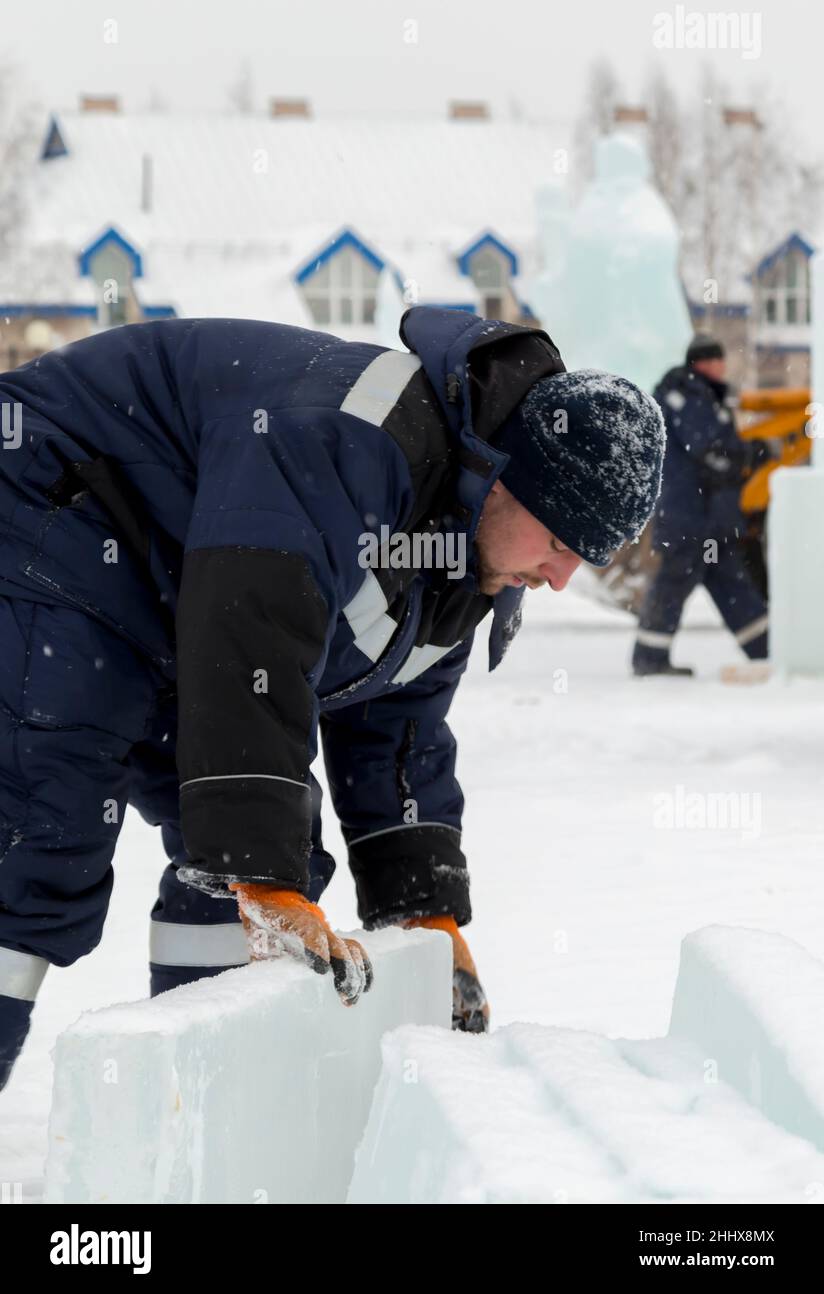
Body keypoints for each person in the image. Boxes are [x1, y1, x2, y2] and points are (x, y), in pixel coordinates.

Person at [0, 306, 665, 1089]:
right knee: (45, 817)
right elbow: (253, 625)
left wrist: (419, 905)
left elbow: (396, 722)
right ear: (505, 481)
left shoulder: (465, 552)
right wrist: (262, 872)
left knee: (255, 864)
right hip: (55, 485)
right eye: (558, 542)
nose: (560, 578)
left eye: (582, 559)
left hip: (176, 580)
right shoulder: (354, 439)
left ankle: (195, 1121)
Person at [632, 333, 770, 677]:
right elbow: (710, 449)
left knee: (733, 585)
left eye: (719, 360)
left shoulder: (699, 395)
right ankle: (649, 658)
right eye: (711, 361)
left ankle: (767, 653)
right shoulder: (689, 397)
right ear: (697, 364)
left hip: (712, 520)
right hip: (690, 518)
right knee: (674, 583)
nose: (717, 367)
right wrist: (750, 452)